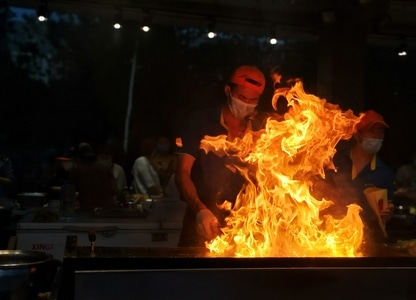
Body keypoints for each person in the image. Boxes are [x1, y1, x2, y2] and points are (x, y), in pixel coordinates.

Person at [175, 65, 268, 247]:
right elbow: (182, 173)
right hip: (202, 218)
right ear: (228, 90)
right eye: (242, 98)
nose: (246, 104)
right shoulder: (199, 122)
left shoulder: (262, 130)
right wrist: (200, 210)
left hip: (246, 223)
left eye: (252, 100)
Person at [318, 109, 395, 244]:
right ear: (358, 135)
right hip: (330, 237)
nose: (377, 136)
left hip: (367, 242)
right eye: (372, 131)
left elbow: (387, 207)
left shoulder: (384, 172)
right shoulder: (335, 162)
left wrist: (388, 213)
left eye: (381, 131)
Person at [70, 142, 117, 211]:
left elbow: (69, 193)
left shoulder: (77, 171)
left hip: (88, 210)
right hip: (108, 210)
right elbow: (115, 190)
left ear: (78, 158)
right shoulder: (105, 169)